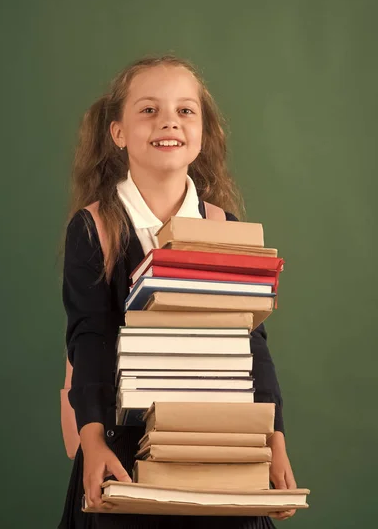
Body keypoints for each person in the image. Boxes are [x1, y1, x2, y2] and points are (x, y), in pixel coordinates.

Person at [57, 55, 297, 528]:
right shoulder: (94, 228)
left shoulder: (224, 227)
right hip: (125, 444)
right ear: (118, 132)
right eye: (149, 109)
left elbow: (251, 344)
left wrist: (274, 442)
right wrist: (93, 443)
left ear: (202, 133)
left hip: (220, 444)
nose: (169, 121)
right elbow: (90, 339)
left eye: (185, 111)